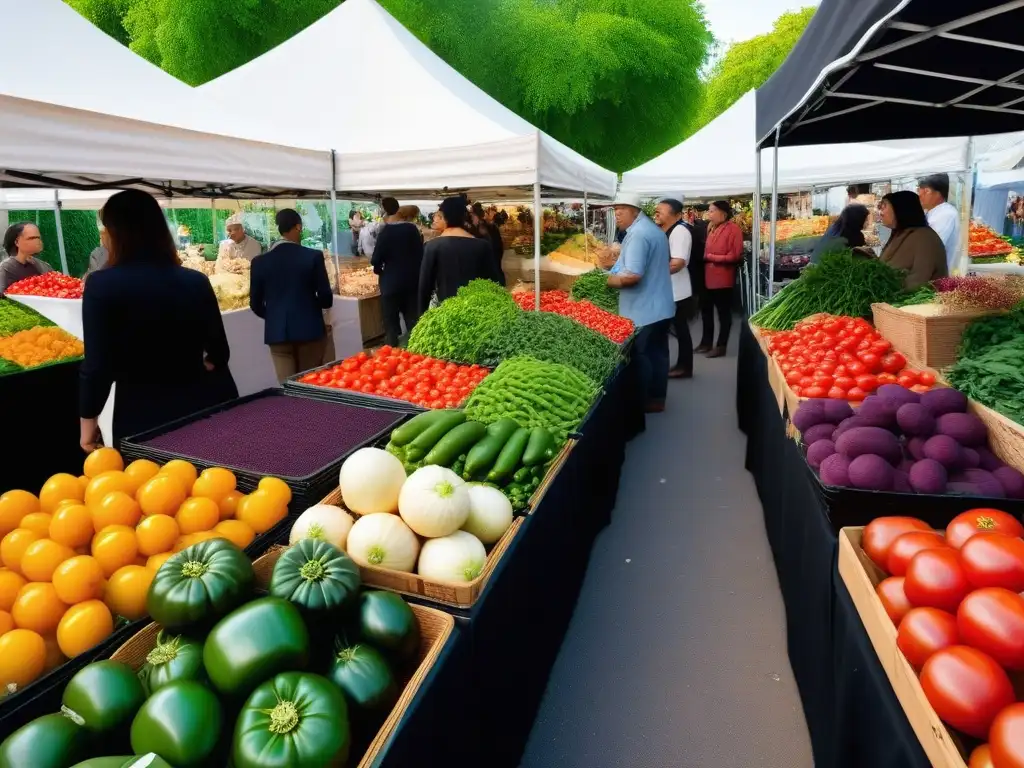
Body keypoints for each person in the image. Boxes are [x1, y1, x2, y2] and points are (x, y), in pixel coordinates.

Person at [79, 190, 236, 451]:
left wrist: (88, 425)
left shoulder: (102, 285)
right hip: (201, 406)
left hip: (141, 413)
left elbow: (97, 366)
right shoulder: (195, 281)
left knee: (152, 488)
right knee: (209, 486)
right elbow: (220, 352)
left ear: (115, 232)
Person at [607, 193, 674, 413]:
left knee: (642, 356)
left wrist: (605, 280)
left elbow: (632, 276)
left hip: (644, 310)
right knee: (658, 352)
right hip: (661, 305)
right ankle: (657, 398)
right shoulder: (652, 230)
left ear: (636, 211)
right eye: (615, 209)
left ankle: (643, 402)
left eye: (622, 209)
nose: (617, 213)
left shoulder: (638, 235)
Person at [250, 209, 334, 382]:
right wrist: (311, 307)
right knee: (310, 383)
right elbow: (326, 298)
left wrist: (274, 315)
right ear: (298, 227)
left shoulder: (259, 262)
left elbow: (255, 304)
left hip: (277, 333)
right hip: (310, 329)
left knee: (287, 385)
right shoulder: (313, 257)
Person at [418, 196, 502, 312]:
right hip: (476, 308)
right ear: (464, 217)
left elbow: (425, 286)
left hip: (445, 311)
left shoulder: (432, 246)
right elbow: (494, 282)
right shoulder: (482, 245)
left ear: (443, 216)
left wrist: (421, 317)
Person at [372, 200, 424, 346]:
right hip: (412, 283)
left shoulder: (385, 232)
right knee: (414, 324)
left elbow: (375, 259)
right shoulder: (412, 230)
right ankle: (418, 355)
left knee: (391, 327)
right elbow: (420, 254)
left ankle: (392, 358)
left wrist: (380, 270)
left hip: (390, 284)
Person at [695, 200, 743, 359]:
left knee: (723, 313)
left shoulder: (733, 229)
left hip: (723, 278)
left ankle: (721, 345)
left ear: (723, 213)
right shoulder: (710, 227)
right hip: (707, 276)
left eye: (712, 211)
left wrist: (711, 257)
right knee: (706, 311)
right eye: (709, 211)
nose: (709, 214)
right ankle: (706, 342)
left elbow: (735, 256)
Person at [653, 198, 694, 379]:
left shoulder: (679, 232)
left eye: (661, 211)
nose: (657, 214)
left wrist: (651, 274)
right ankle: (680, 365)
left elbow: (677, 263)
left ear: (676, 215)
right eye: (657, 211)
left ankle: (684, 367)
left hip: (677, 291)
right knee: (676, 331)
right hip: (669, 290)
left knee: (680, 331)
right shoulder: (666, 230)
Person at [878, 191, 948, 289]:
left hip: (919, 302)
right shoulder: (899, 233)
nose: (880, 212)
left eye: (884, 206)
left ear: (900, 208)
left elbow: (918, 281)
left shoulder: (925, 238)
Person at [918, 173, 961, 273]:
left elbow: (929, 247)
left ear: (939, 193)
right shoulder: (930, 211)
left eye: (927, 191)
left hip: (938, 276)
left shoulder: (946, 214)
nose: (920, 195)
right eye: (920, 190)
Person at [1, 222, 53, 294]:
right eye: (31, 238)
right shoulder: (5, 268)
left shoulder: (45, 266)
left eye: (38, 238)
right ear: (17, 242)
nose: (37, 241)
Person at [471, 202, 506, 286]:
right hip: (495, 250)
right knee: (496, 269)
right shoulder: (489, 224)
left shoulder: (482, 226)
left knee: (494, 271)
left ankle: (498, 286)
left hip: (492, 251)